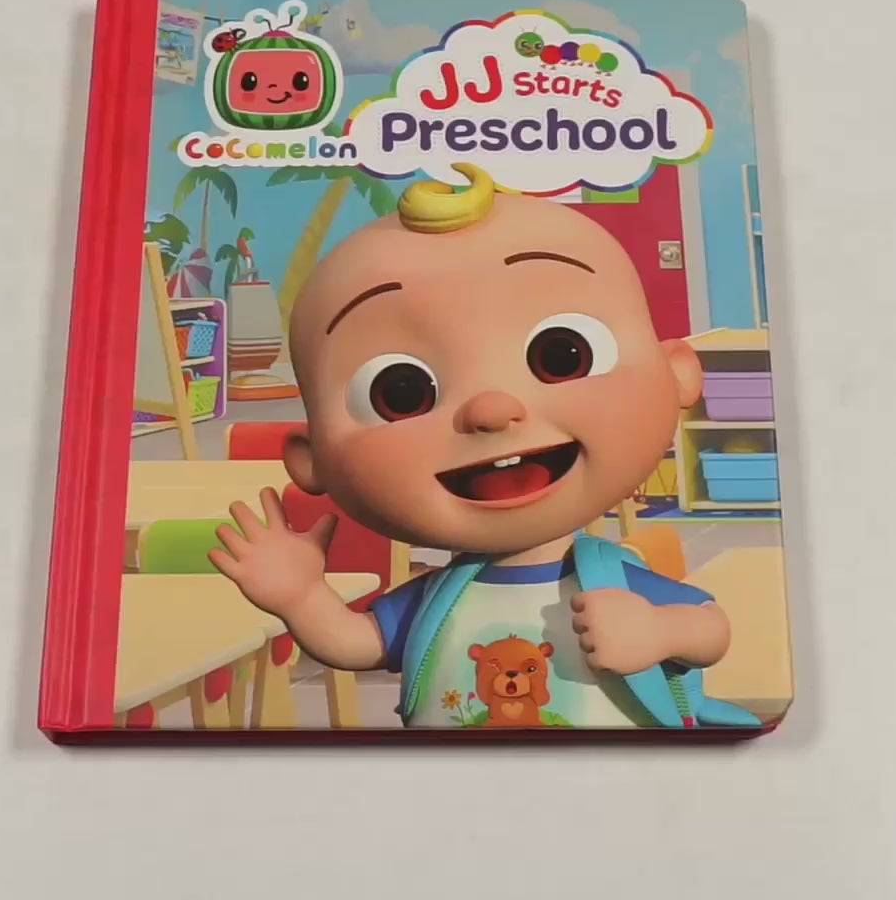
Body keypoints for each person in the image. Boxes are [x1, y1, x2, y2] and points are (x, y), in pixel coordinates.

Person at [211, 164, 732, 727]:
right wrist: (299, 598)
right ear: (311, 459)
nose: (490, 410)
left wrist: (660, 630)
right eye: (400, 393)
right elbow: (357, 644)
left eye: (561, 357)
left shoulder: (612, 581)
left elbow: (710, 629)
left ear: (676, 373)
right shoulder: (439, 601)